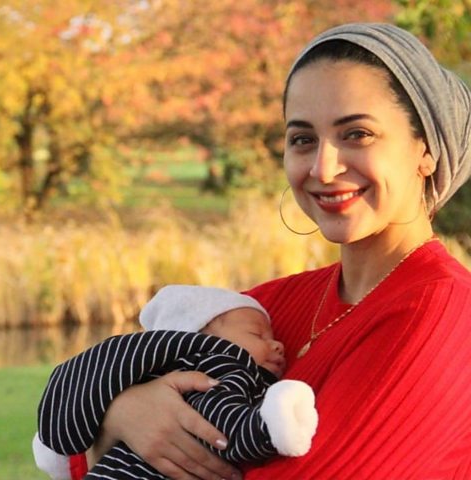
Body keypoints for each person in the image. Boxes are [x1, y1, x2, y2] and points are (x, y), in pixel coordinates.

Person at [37, 21, 471, 479]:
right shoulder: (260, 309)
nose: (323, 168)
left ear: (426, 149)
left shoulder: (446, 314)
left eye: (357, 134)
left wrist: (124, 425)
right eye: (303, 139)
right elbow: (69, 452)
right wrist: (128, 411)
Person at [33, 285, 318, 479]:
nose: (278, 344)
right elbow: (225, 426)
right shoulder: (216, 371)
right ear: (202, 336)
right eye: (258, 336)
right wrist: (271, 425)